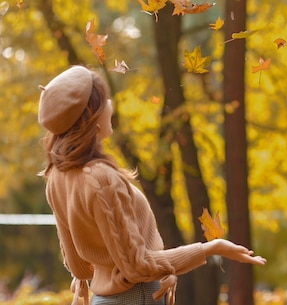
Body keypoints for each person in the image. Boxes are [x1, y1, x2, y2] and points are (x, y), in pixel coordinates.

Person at [37, 65, 267, 305]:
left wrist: (162, 269)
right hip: (137, 297)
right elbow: (137, 266)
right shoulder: (100, 179)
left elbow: (79, 267)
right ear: (92, 117)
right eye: (105, 100)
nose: (111, 104)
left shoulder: (56, 176)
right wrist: (211, 248)